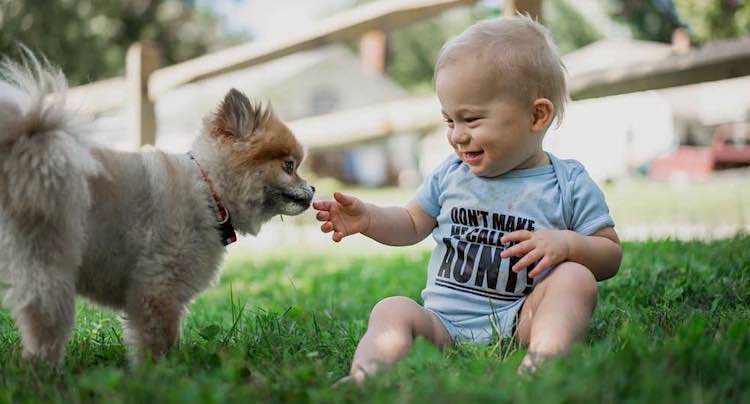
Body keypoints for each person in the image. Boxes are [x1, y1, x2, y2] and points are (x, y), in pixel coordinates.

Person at [313, 15, 622, 383]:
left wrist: (568, 244)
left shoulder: (567, 182)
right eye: (449, 121)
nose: (457, 136)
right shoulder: (450, 174)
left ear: (536, 115)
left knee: (576, 279)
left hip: (522, 318)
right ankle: (365, 376)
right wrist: (370, 219)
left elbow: (609, 254)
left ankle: (543, 360)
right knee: (392, 308)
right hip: (442, 324)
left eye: (472, 120)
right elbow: (412, 223)